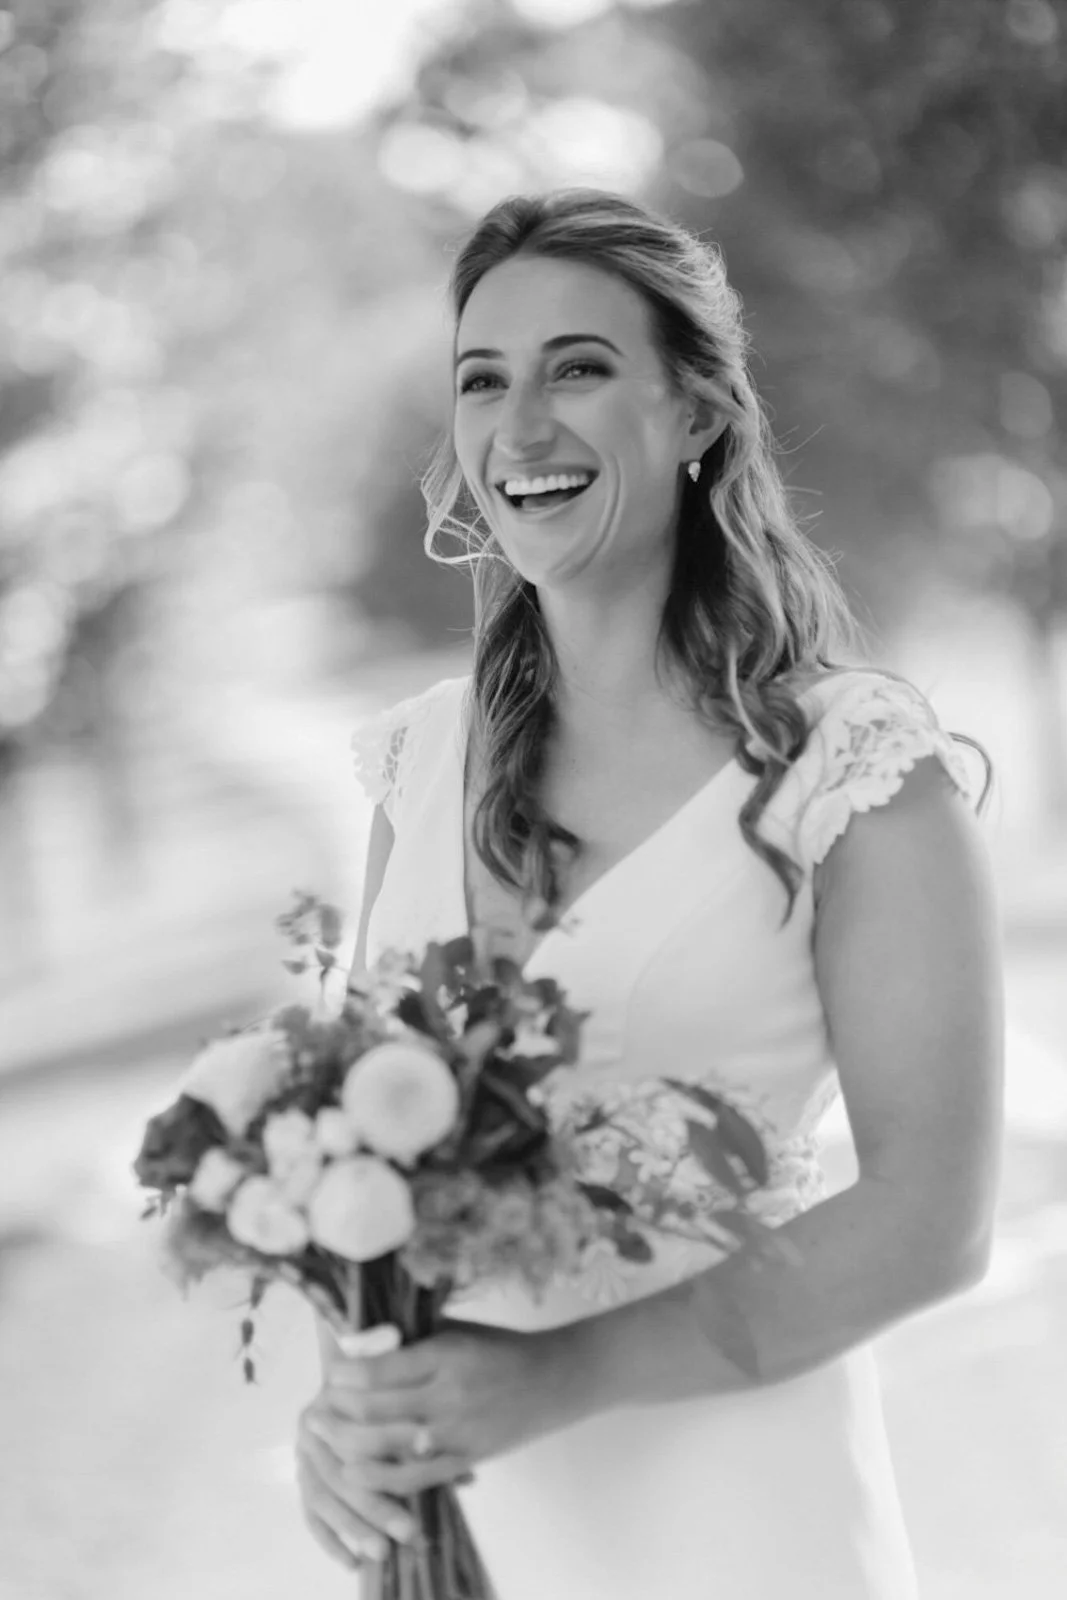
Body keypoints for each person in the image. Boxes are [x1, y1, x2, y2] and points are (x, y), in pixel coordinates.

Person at [294, 188, 1004, 1598]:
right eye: (481, 380)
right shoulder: (417, 767)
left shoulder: (849, 770)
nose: (521, 425)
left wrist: (554, 1380)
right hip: (472, 1530)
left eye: (578, 367)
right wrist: (352, 1413)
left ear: (693, 415)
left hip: (742, 1519)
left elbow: (932, 1218)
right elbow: (354, 1172)